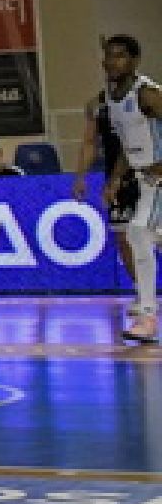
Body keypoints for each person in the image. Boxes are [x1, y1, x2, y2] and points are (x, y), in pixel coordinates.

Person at [97, 35, 162, 344]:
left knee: (138, 232)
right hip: (143, 177)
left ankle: (147, 315)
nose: (112, 61)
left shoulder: (148, 94)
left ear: (135, 61)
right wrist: (115, 179)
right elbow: (128, 144)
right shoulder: (111, 97)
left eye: (120, 56)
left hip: (158, 176)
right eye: (109, 55)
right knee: (150, 237)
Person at [72, 81, 143, 309]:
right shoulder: (96, 105)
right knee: (123, 238)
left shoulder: (144, 96)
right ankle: (143, 292)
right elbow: (89, 143)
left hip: (148, 173)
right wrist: (80, 177)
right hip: (116, 178)